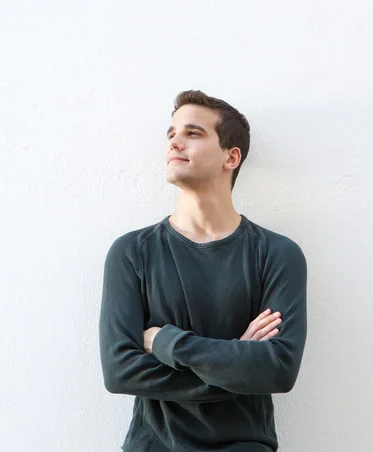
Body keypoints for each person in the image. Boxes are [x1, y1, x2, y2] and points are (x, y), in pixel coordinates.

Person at [98, 90, 308, 452]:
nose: (175, 142)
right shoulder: (132, 252)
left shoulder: (277, 253)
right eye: (171, 134)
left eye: (193, 133)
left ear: (231, 156)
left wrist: (167, 342)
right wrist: (238, 359)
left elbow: (278, 369)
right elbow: (120, 372)